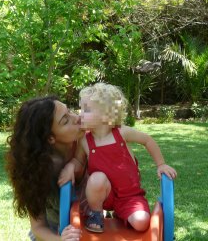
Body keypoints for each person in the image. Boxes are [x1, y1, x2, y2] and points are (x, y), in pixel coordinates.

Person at [58, 83, 177, 234]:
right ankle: (96, 214)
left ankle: (122, 214)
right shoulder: (85, 141)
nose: (80, 113)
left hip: (130, 196)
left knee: (141, 222)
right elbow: (78, 161)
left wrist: (161, 164)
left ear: (105, 114)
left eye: (86, 109)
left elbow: (148, 140)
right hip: (104, 194)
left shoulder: (121, 133)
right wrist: (70, 167)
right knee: (96, 178)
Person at [5, 96, 86, 241]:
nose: (77, 118)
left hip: (89, 227)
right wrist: (61, 239)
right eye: (66, 120)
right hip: (55, 235)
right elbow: (38, 228)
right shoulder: (37, 170)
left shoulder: (86, 144)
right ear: (50, 138)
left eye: (71, 111)